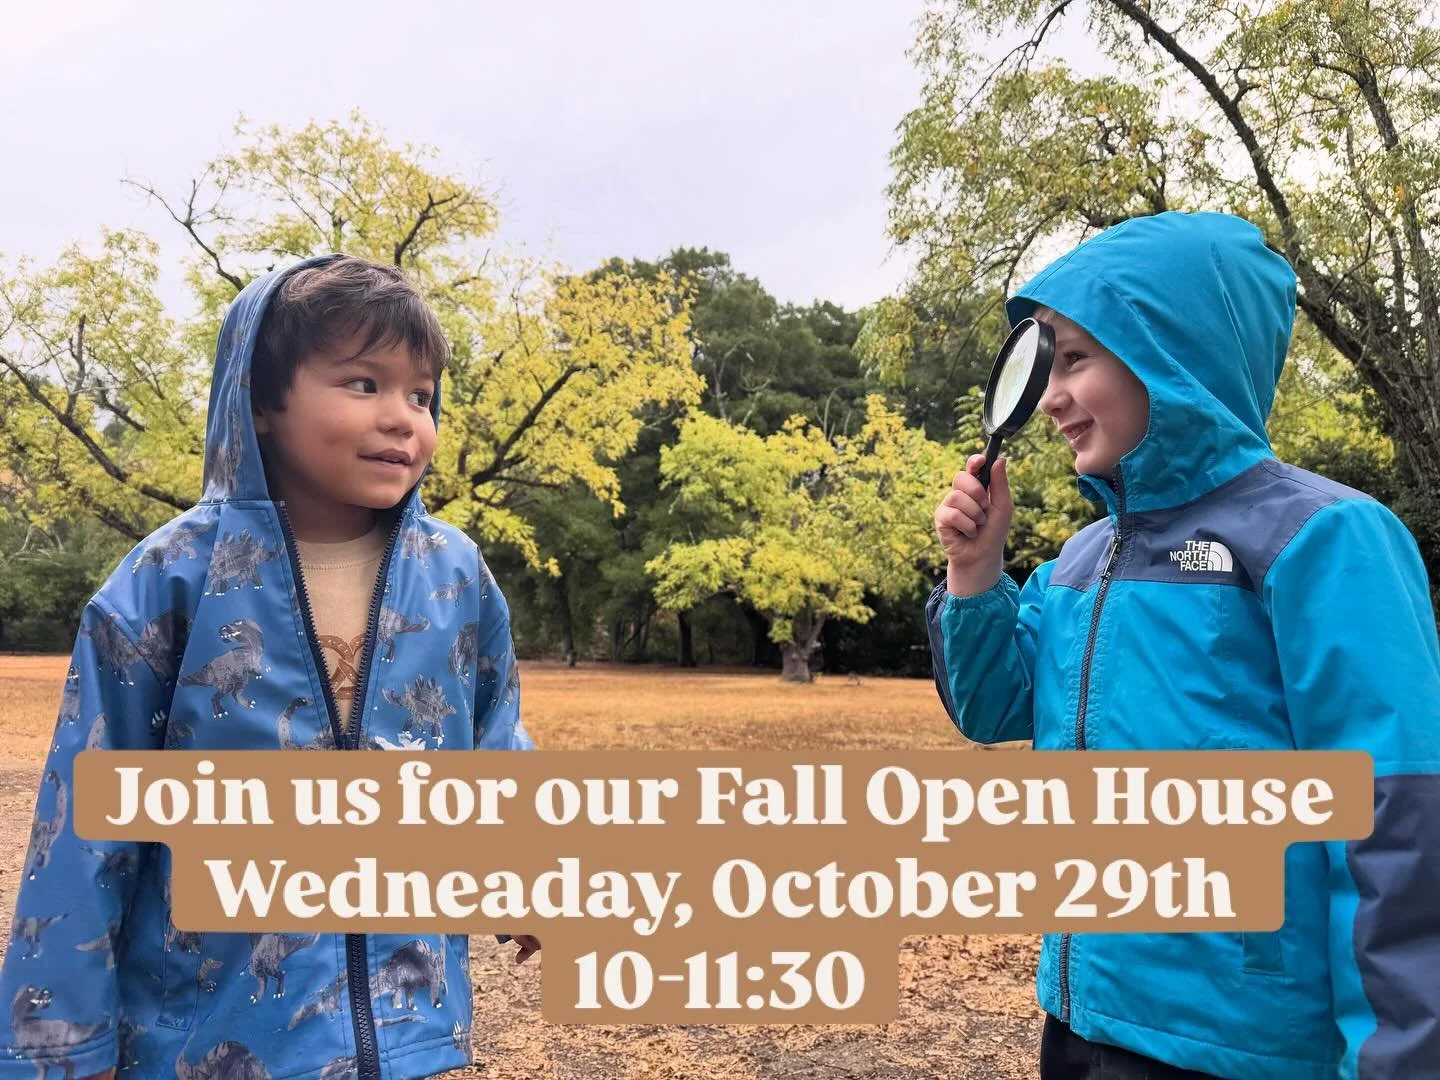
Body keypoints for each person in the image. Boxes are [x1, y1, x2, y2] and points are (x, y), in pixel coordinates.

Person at [925, 211, 1440, 1079]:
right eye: (1046, 365)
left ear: (1172, 353)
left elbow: (1396, 823)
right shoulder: (1082, 560)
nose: (1049, 396)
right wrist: (975, 574)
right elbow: (991, 706)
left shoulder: (1323, 539)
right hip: (1083, 1021)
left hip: (1242, 1046)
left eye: (1075, 359)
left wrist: (1398, 1061)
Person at [0, 255, 540, 1079]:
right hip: (211, 1036)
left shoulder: (457, 575)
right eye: (364, 383)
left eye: (421, 395)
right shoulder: (169, 579)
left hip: (409, 1028)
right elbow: (85, 821)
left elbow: (494, 745)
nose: (403, 419)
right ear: (258, 401)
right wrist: (62, 1046)